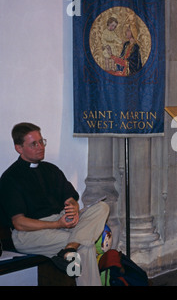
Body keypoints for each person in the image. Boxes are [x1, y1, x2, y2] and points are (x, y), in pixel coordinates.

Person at [0, 122, 110, 286]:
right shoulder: (10, 178)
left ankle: (70, 247)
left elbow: (69, 198)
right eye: (33, 144)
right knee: (85, 247)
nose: (40, 147)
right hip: (30, 234)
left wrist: (72, 206)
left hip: (59, 222)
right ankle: (73, 249)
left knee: (102, 207)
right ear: (19, 148)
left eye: (41, 141)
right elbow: (19, 223)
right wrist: (56, 223)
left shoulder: (50, 169)